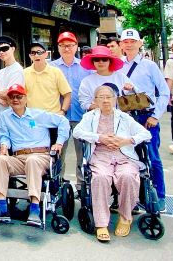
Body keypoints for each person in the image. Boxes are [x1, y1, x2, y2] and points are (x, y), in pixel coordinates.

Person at [74, 86, 152, 243]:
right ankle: (101, 223)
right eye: (101, 97)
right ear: (95, 101)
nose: (105, 101)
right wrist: (99, 137)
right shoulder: (90, 117)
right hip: (100, 155)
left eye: (108, 97)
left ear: (115, 99)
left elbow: (146, 134)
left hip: (124, 155)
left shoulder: (124, 117)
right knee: (100, 178)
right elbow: (77, 132)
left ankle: (125, 217)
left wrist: (126, 141)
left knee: (128, 176)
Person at [0, 84, 69, 227]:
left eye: (19, 96)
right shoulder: (4, 117)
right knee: (0, 160)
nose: (15, 99)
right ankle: (2, 208)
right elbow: (4, 136)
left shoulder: (38, 115)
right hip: (18, 157)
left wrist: (59, 143)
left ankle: (34, 209)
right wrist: (4, 146)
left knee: (32, 160)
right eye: (12, 97)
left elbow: (63, 121)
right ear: (8, 100)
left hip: (41, 156)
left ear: (26, 98)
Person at [119, 29, 171, 212]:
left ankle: (159, 196)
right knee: (128, 157)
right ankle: (134, 197)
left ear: (140, 43)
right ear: (121, 44)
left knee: (152, 157)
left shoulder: (149, 66)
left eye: (132, 41)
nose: (129, 45)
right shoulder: (118, 66)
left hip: (146, 116)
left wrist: (155, 116)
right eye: (126, 41)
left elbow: (164, 92)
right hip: (126, 117)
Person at [50, 32, 93, 186]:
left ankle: (82, 186)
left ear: (76, 47)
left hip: (81, 117)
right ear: (58, 48)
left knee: (83, 154)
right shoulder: (51, 67)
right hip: (58, 117)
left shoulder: (86, 67)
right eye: (62, 45)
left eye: (69, 45)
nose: (66, 48)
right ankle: (58, 186)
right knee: (58, 153)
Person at [23, 41, 72, 120]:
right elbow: (22, 96)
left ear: (46, 54)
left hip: (52, 118)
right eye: (33, 53)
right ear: (30, 56)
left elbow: (67, 94)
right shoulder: (24, 73)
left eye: (39, 52)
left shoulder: (55, 72)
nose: (36, 55)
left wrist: (63, 111)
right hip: (32, 119)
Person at [77, 46, 133, 112]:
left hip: (121, 116)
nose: (101, 62)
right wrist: (102, 107)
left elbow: (134, 95)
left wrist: (130, 89)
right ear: (93, 62)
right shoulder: (86, 81)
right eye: (97, 59)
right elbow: (84, 103)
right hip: (97, 116)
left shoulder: (121, 77)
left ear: (110, 61)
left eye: (104, 59)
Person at [0, 36, 25, 141]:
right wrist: (1, 100)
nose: (1, 52)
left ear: (13, 49)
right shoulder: (1, 72)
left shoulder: (17, 70)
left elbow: (11, 94)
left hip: (13, 120)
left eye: (5, 48)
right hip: (0, 120)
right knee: (0, 149)